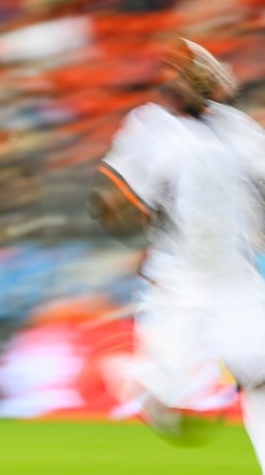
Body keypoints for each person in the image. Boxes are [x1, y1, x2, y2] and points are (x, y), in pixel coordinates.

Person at [88, 37, 265, 471]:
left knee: (263, 376)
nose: (180, 78)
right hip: (177, 276)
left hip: (235, 275)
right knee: (167, 393)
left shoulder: (241, 130)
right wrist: (118, 209)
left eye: (191, 71)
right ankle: (141, 381)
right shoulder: (150, 125)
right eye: (175, 70)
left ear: (212, 81)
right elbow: (114, 193)